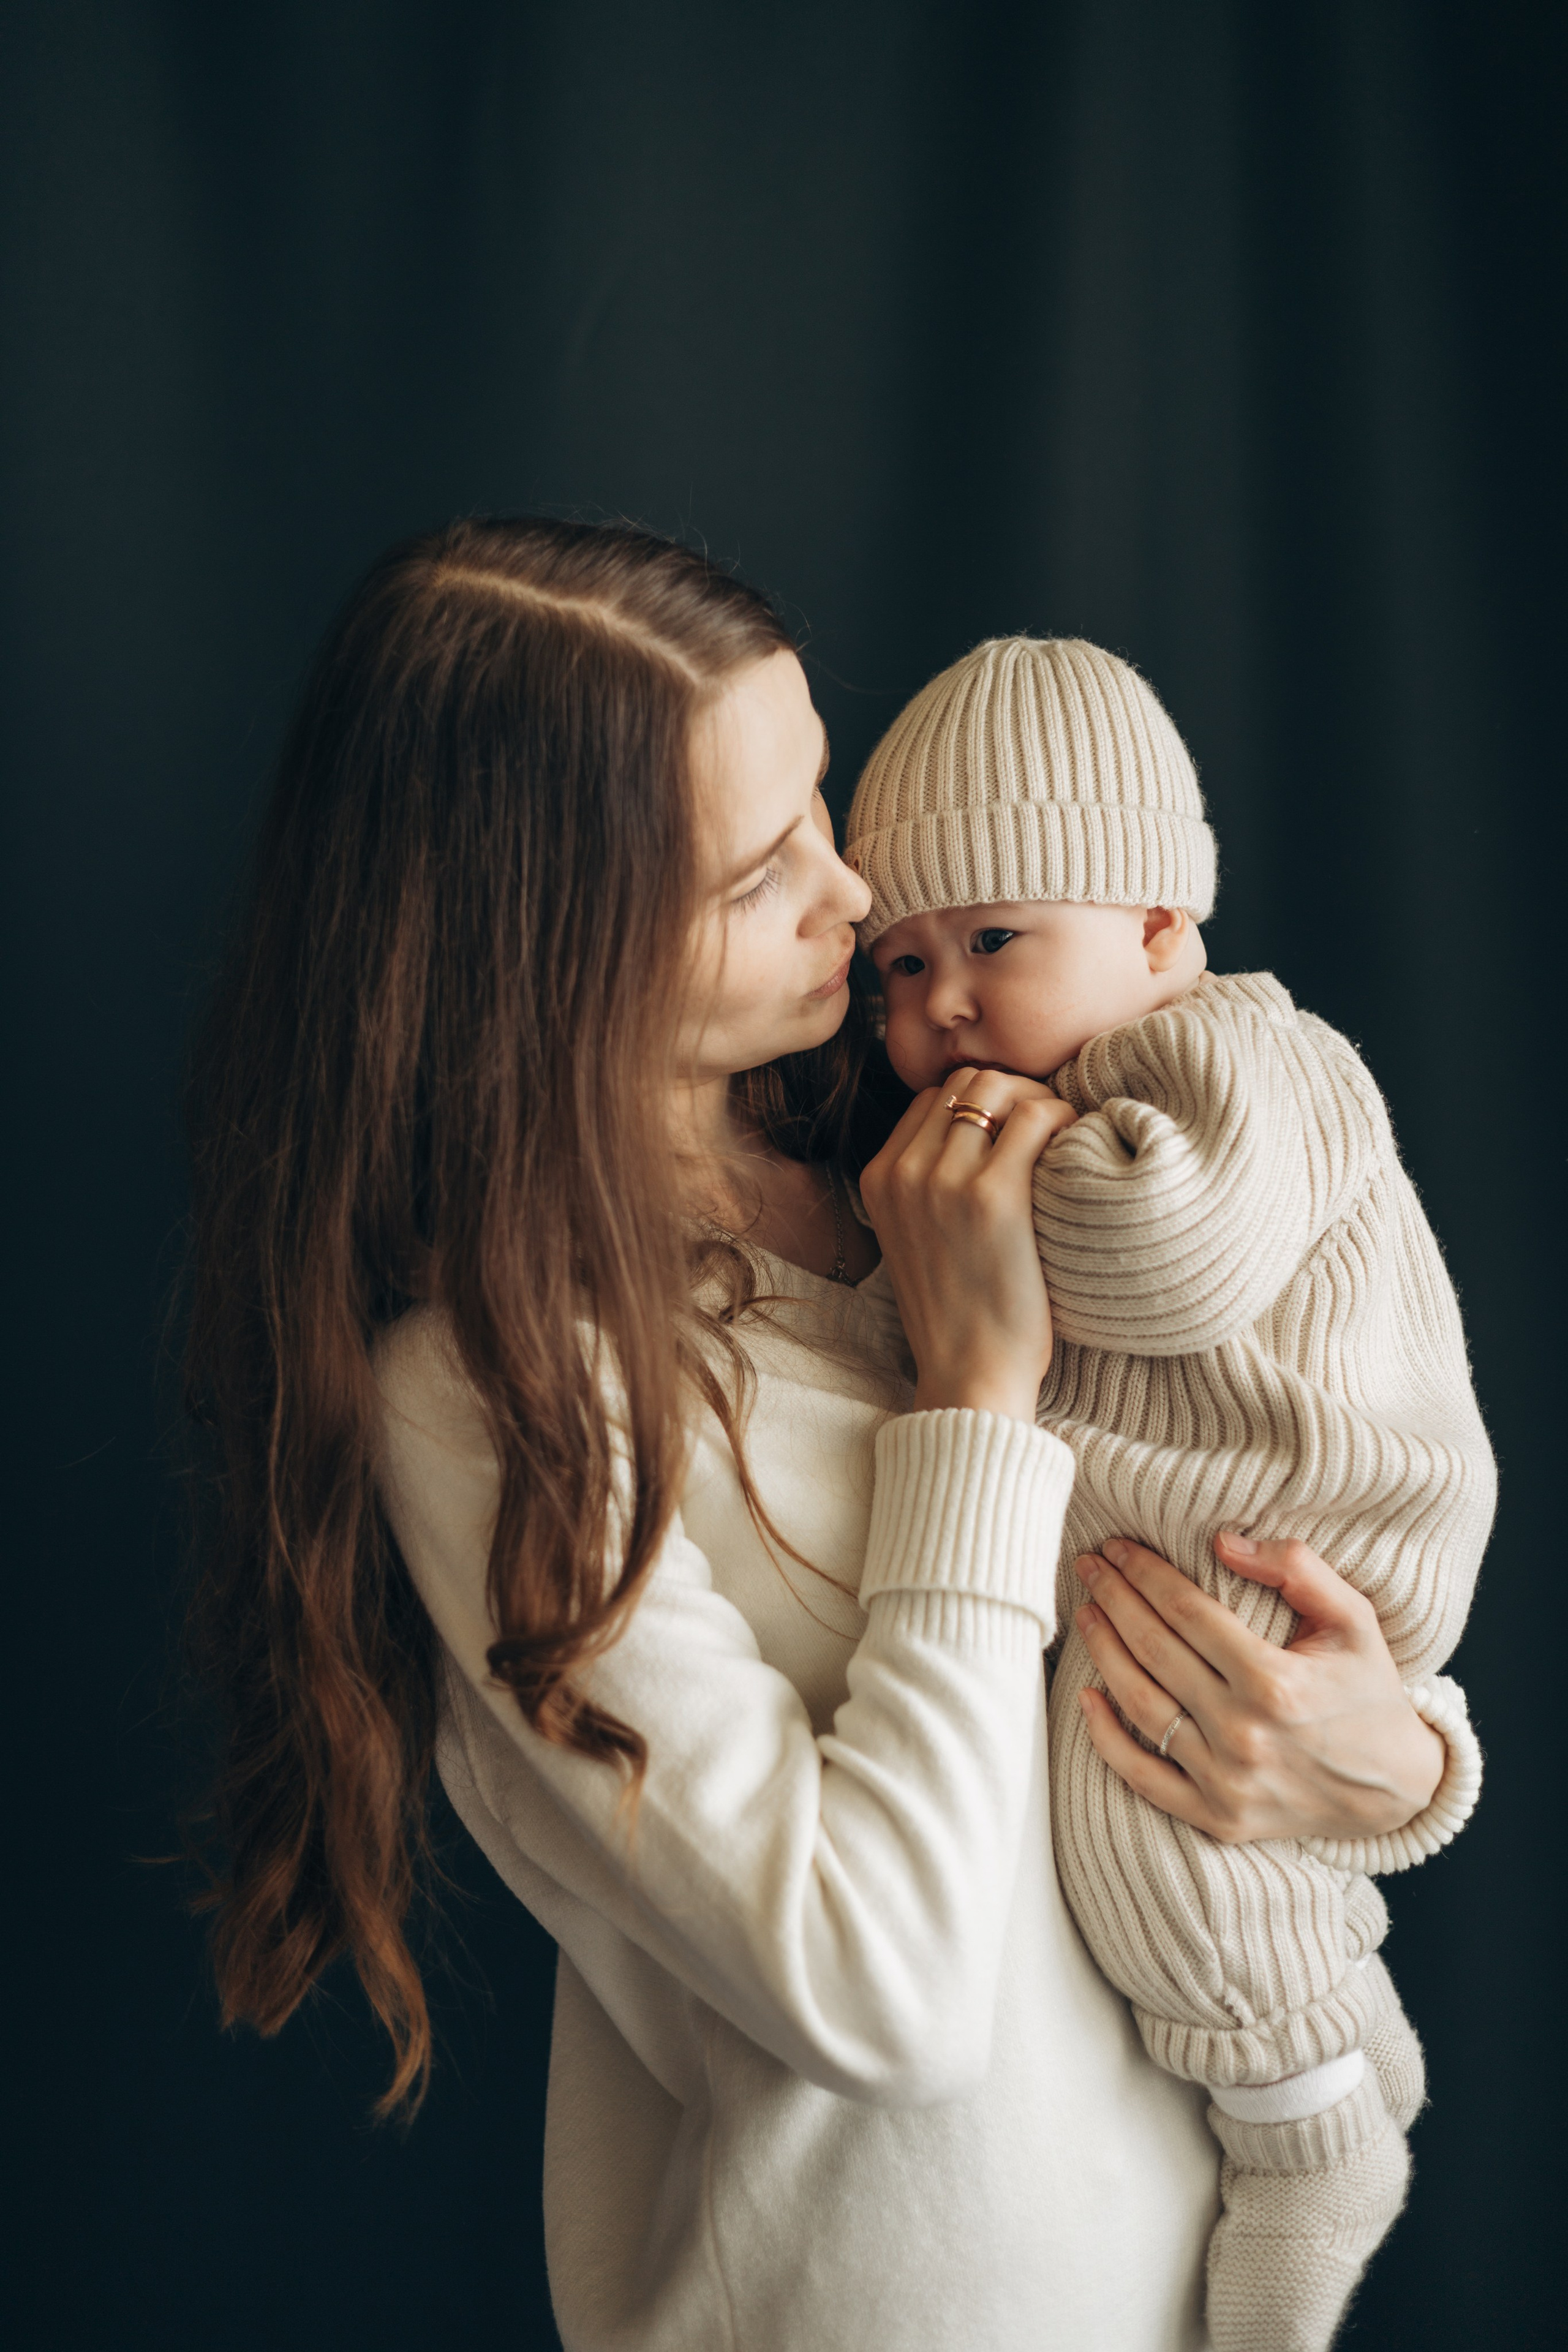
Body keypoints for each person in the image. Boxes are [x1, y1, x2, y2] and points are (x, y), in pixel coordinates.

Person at [183, 518, 1469, 2352]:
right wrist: (974, 1401)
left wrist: (1397, 1755)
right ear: (543, 943)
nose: (855, 896)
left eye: (819, 803)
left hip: (1201, 2281)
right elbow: (884, 1994)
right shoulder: (498, 1388)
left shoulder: (927, 1142)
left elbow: (1248, 1481)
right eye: (757, 869)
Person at [846, 633, 1493, 2351]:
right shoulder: (1068, 1088)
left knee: (1153, 1810)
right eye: (899, 965)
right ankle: (1327, 2051)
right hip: (1190, 1543)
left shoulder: (1240, 1056)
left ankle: (1312, 2130)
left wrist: (989, 1189)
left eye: (994, 941)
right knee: (1161, 1790)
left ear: (1158, 930)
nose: (941, 1006)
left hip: (1292, 1535)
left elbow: (1169, 1259)